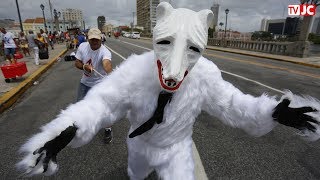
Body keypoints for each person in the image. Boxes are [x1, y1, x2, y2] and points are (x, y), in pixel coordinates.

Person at [16, 3, 320, 179]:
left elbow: (232, 104)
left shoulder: (204, 73)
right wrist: (66, 129)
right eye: (165, 44)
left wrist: (273, 112)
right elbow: (102, 102)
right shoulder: (136, 69)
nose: (174, 70)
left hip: (176, 149)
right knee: (136, 175)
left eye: (191, 49)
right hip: (139, 144)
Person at [74, 27, 113, 143]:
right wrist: (84, 66)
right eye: (92, 40)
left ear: (101, 39)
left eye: (97, 39)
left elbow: (107, 64)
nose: (95, 42)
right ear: (88, 39)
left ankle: (108, 129)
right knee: (79, 106)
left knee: (104, 109)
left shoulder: (105, 51)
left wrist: (111, 73)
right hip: (85, 83)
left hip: (99, 84)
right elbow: (77, 62)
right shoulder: (82, 46)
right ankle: (80, 127)